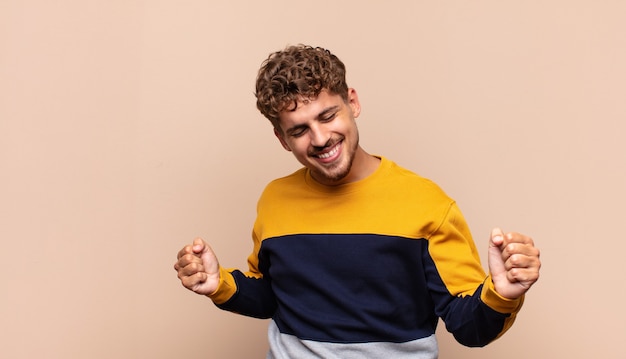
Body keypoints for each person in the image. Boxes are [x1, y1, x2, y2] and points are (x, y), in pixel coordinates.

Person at [174, 44, 541, 359]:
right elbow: (274, 297)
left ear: (352, 102)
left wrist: (502, 294)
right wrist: (217, 283)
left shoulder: (427, 203)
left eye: (327, 115)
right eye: (299, 130)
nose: (319, 138)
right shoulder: (275, 199)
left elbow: (468, 328)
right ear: (282, 139)